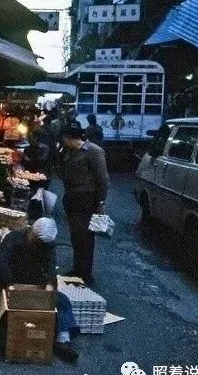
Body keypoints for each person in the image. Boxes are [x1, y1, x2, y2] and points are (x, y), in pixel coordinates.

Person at [0, 218, 80, 362]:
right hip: (11, 279)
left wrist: (49, 285)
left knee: (61, 300)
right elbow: (1, 262)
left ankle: (63, 339)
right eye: (37, 242)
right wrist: (9, 284)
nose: (39, 246)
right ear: (31, 233)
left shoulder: (47, 245)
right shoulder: (13, 238)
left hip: (33, 282)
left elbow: (51, 268)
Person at [60, 121, 109, 283]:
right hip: (72, 199)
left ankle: (85, 274)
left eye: (63, 139)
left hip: (87, 200)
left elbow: (103, 179)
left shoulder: (94, 151)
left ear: (69, 138)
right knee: (76, 236)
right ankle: (77, 269)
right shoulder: (70, 151)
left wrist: (101, 202)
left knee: (85, 238)